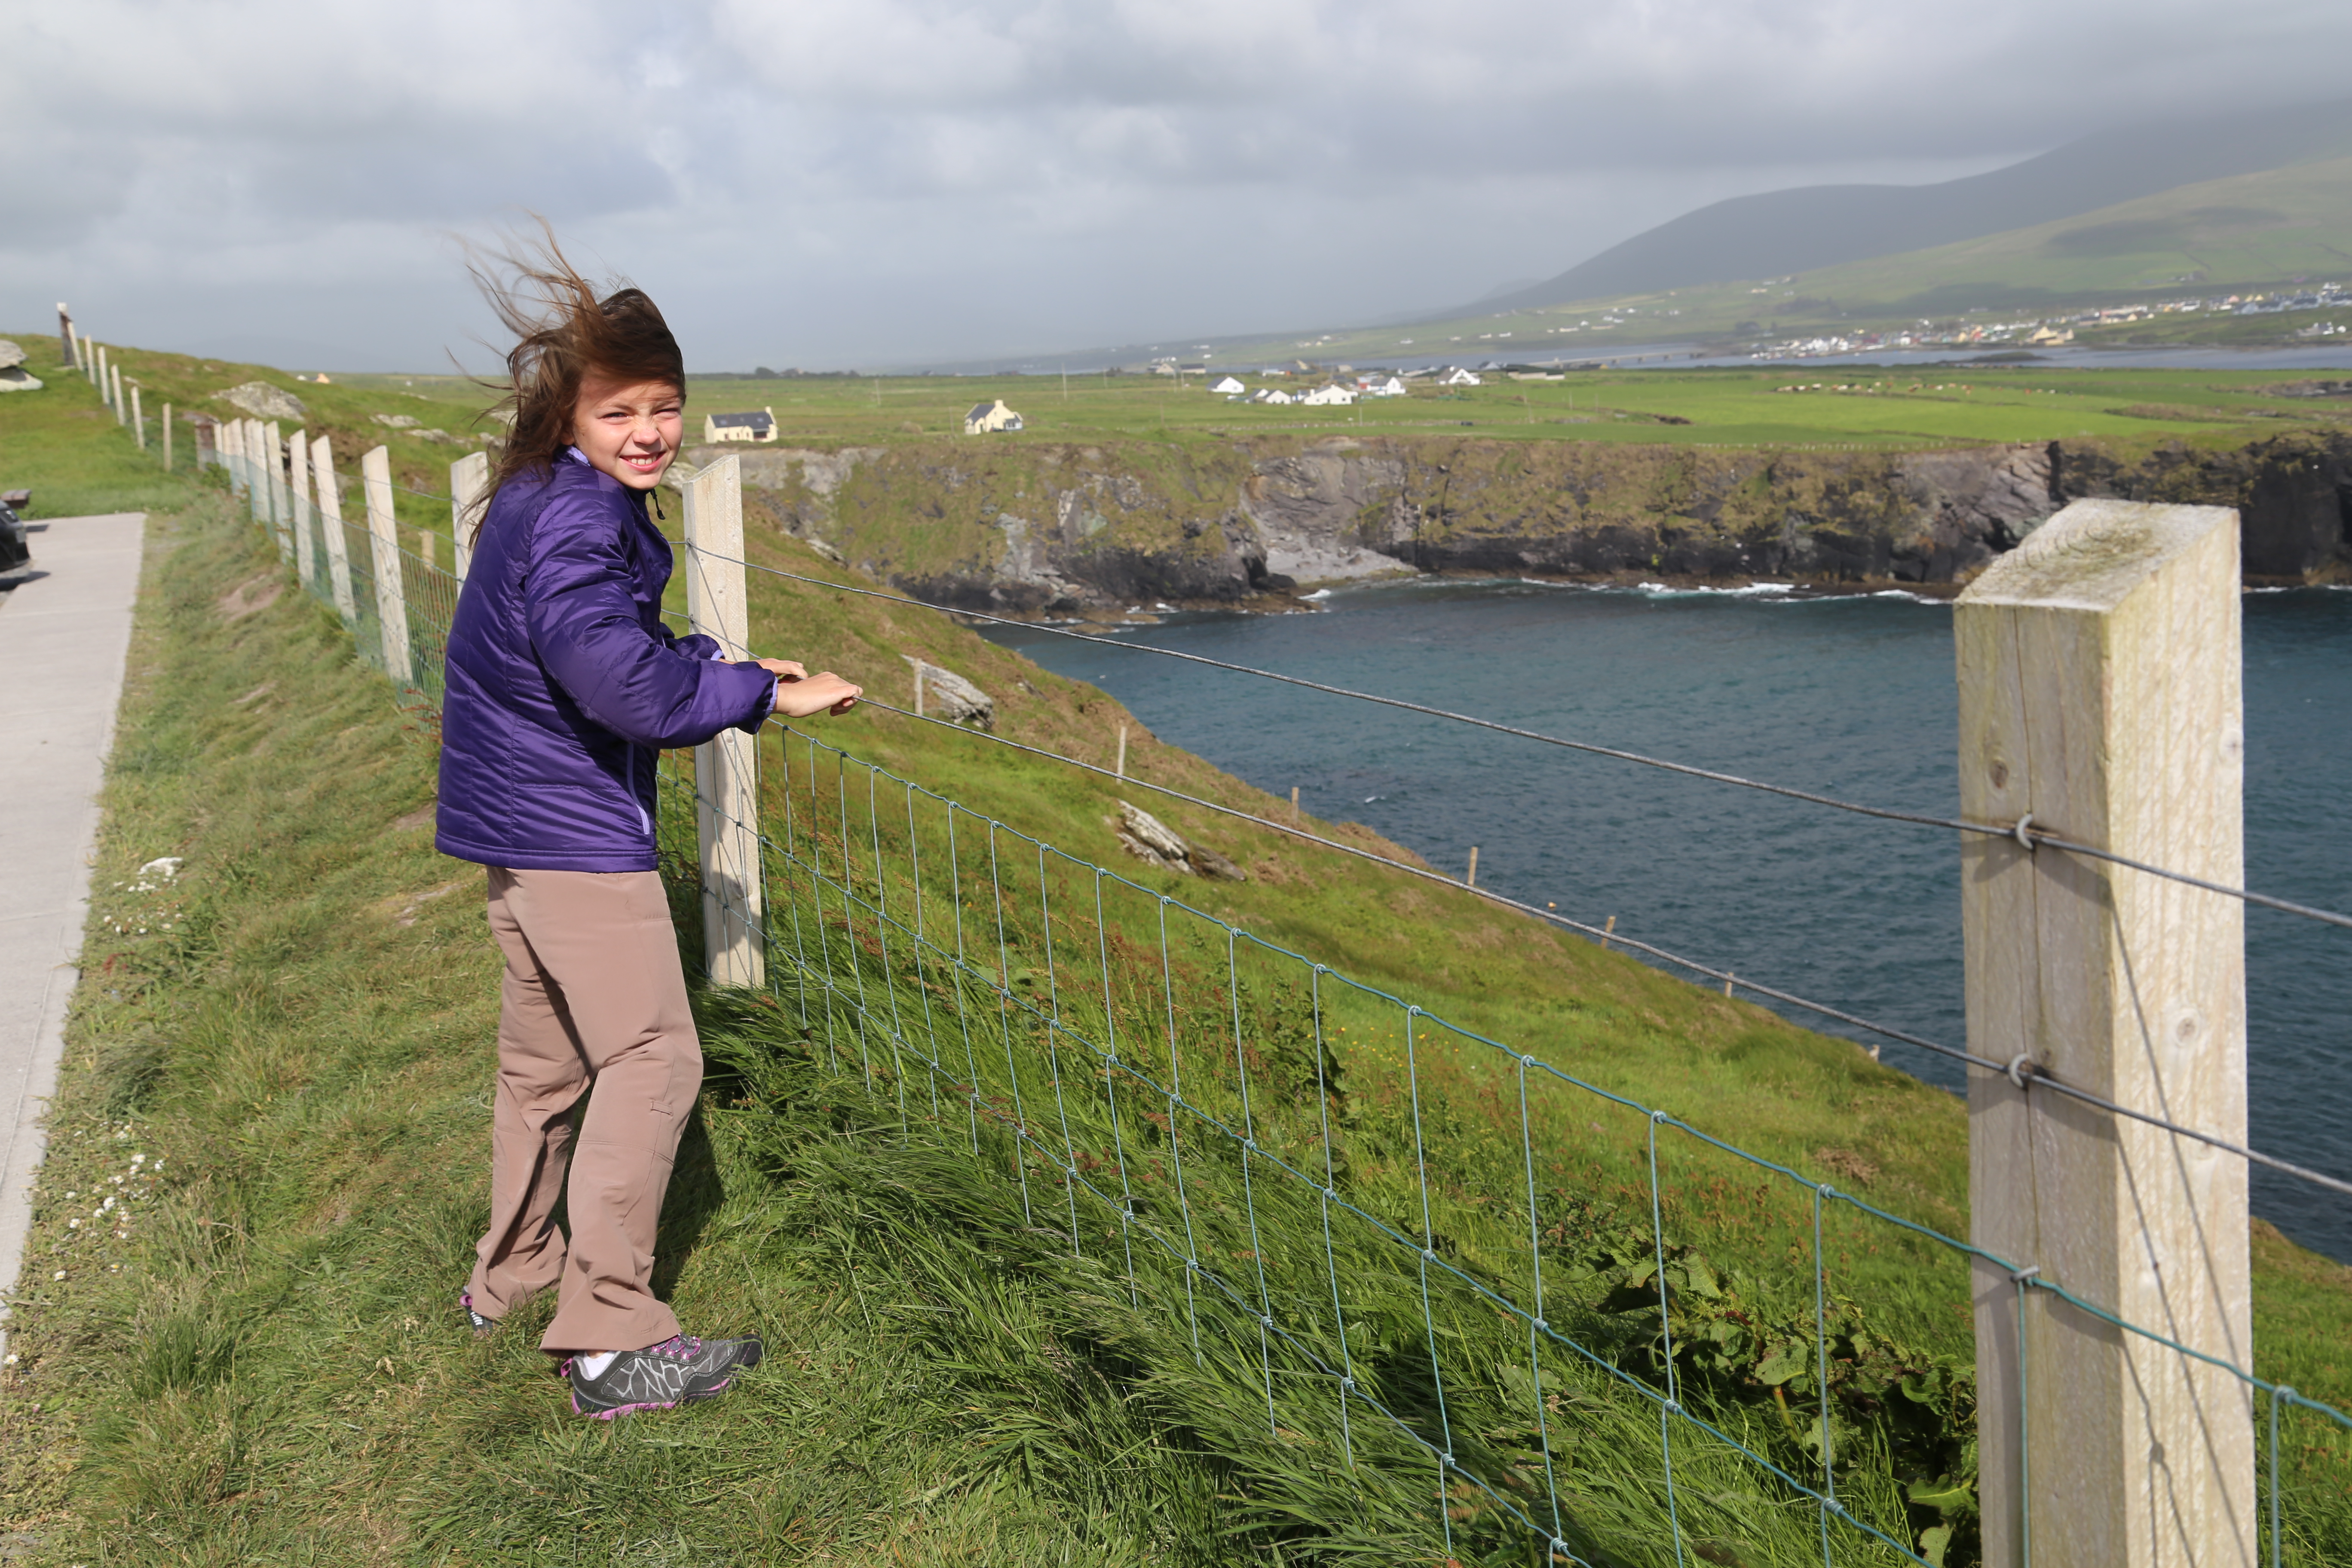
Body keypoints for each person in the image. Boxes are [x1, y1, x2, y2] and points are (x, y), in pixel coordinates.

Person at [434, 236, 860, 1417]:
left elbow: (596, 648)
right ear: (572, 412)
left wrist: (719, 665)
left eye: (666, 406)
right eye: (620, 409)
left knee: (547, 1066)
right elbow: (619, 689)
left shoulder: (543, 499)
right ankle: (611, 1340)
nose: (649, 431)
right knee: (657, 1058)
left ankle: (510, 1280)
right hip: (570, 828)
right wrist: (763, 696)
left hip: (514, 821)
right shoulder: (578, 520)